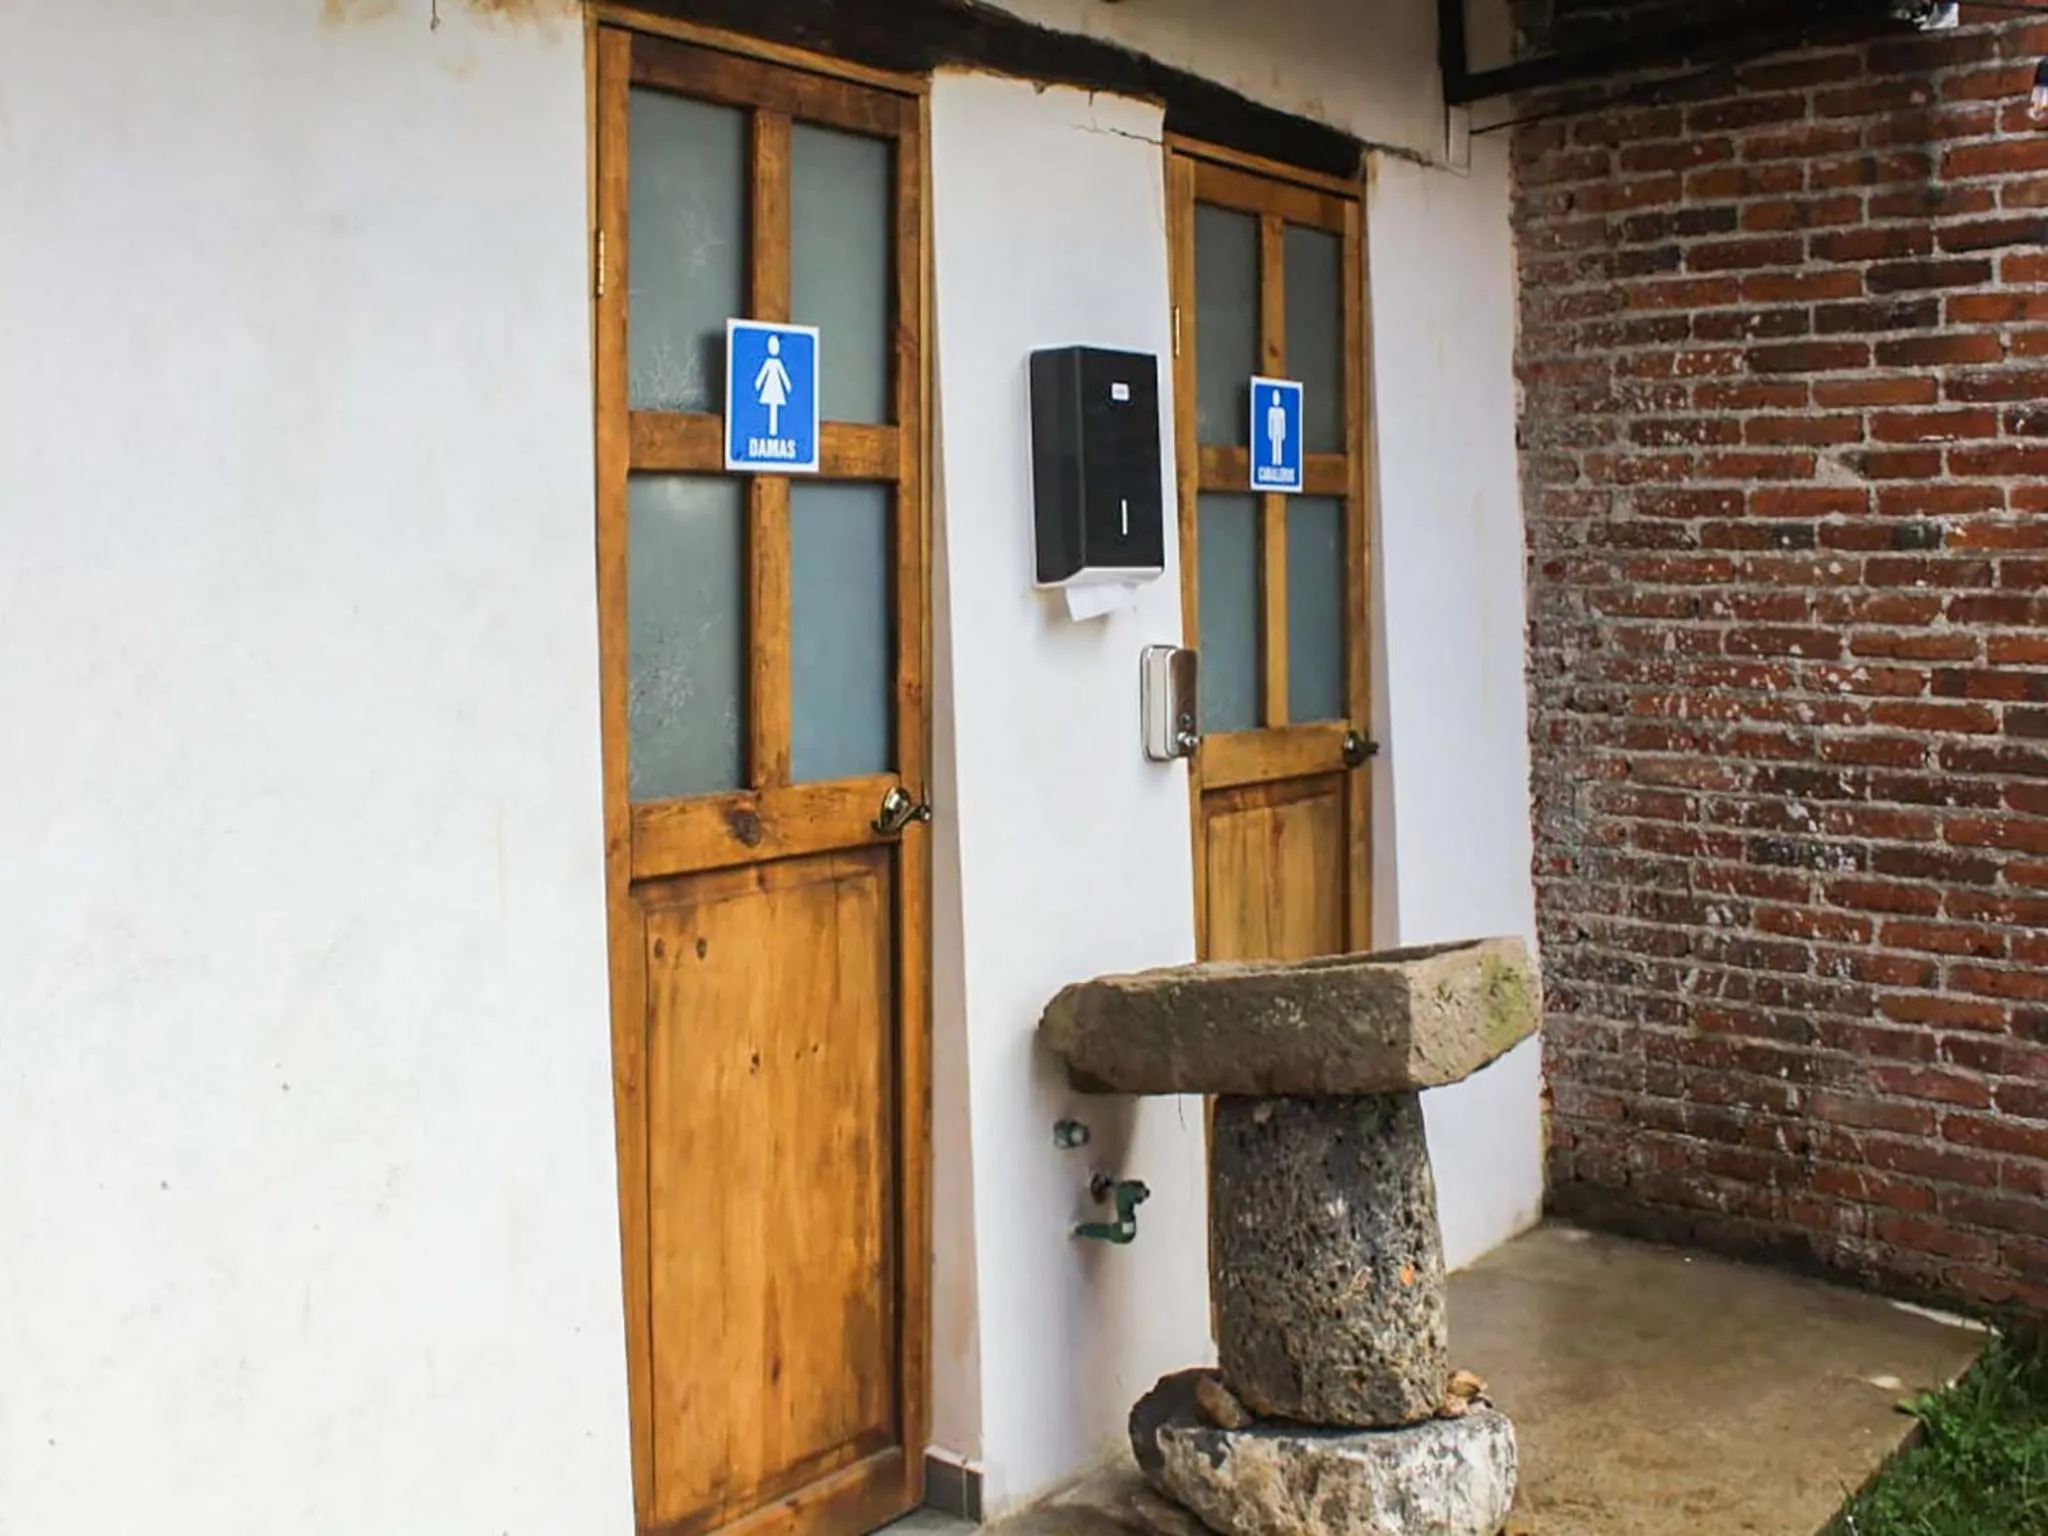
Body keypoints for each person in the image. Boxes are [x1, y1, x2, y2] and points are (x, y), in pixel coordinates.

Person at [754, 335, 793, 437]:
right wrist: (758, 383)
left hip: (776, 388)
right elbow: (762, 373)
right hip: (769, 388)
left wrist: (788, 385)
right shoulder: (769, 362)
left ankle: (773, 431)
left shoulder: (778, 363)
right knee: (772, 407)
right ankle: (772, 430)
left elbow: (783, 375)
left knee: (774, 408)